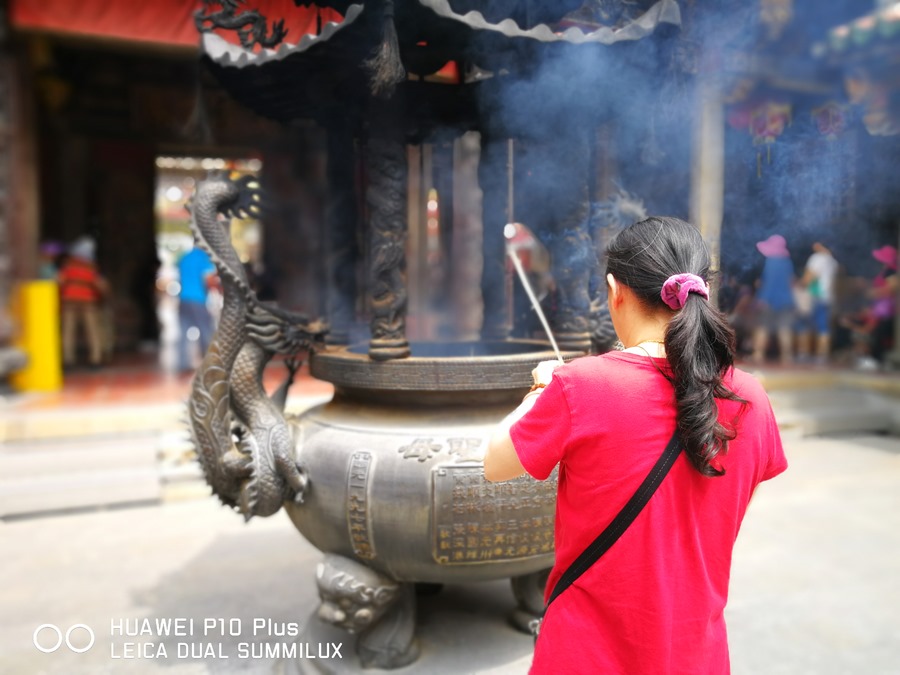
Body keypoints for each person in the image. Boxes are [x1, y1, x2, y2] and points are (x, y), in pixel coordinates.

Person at [484, 217, 787, 674]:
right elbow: (727, 507)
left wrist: (539, 391)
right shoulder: (751, 398)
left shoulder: (579, 385)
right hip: (696, 654)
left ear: (615, 290)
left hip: (587, 654)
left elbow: (494, 463)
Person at [58, 236, 108, 369]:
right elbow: (100, 285)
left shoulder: (68, 266)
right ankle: (95, 359)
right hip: (88, 302)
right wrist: (103, 297)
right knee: (92, 330)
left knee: (68, 331)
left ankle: (67, 359)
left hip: (69, 301)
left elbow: (60, 282)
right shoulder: (91, 268)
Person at [751, 233, 796, 365]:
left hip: (769, 300)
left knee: (763, 327)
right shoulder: (788, 262)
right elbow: (790, 281)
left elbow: (769, 283)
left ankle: (758, 355)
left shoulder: (770, 262)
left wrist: (762, 299)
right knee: (784, 328)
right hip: (786, 300)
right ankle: (787, 357)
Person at [176, 243, 217, 373]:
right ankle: (208, 363)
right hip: (198, 299)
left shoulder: (184, 257)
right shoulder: (203, 257)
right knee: (206, 330)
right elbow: (208, 279)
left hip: (183, 299)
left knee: (183, 332)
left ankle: (183, 364)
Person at [797, 241, 839, 364]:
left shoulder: (817, 258)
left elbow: (809, 278)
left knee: (804, 325)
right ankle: (822, 356)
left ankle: (803, 353)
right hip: (827, 297)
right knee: (823, 327)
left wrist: (799, 284)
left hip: (814, 296)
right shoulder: (833, 261)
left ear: (819, 245)